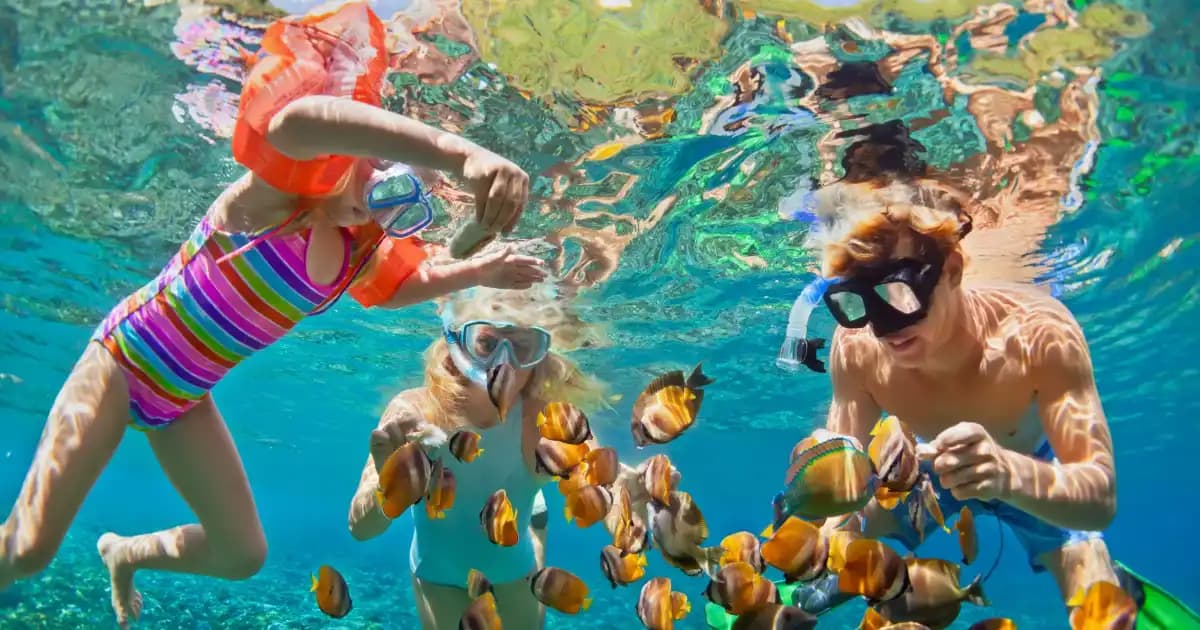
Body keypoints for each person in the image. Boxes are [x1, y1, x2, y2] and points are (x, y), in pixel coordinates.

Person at [0, 3, 546, 627]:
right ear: (356, 148)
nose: (375, 210)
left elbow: (403, 285)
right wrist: (459, 155)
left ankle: (123, 553)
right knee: (29, 549)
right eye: (379, 178)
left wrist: (476, 270)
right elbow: (296, 121)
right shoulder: (277, 198)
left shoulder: (354, 252)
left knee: (241, 555)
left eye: (401, 211)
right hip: (124, 362)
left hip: (183, 397)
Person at [793, 176, 1120, 612]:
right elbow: (847, 486)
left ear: (952, 271)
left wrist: (1005, 473)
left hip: (1030, 469)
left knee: (1097, 597)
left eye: (900, 293)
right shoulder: (855, 348)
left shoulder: (1039, 333)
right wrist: (834, 542)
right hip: (914, 473)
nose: (883, 327)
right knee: (831, 551)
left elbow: (1099, 499)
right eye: (856, 301)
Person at [347, 283, 630, 629]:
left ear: (540, 355)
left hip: (513, 569)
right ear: (457, 343)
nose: (503, 364)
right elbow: (360, 529)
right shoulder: (416, 412)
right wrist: (387, 486)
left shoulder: (547, 421)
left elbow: (606, 492)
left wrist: (634, 512)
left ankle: (534, 524)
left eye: (522, 347)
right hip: (437, 574)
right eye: (488, 344)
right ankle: (533, 509)